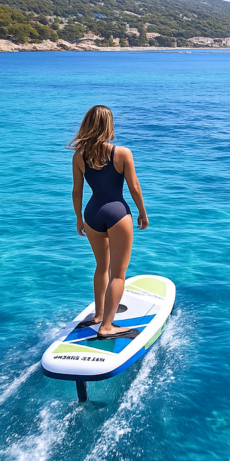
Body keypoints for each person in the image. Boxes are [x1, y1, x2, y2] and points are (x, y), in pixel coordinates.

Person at [69, 105, 149, 339]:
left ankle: (98, 314)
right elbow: (134, 187)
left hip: (91, 213)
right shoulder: (122, 153)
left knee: (101, 266)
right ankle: (106, 326)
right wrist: (142, 213)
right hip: (117, 213)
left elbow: (77, 191)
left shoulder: (79, 155)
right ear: (108, 126)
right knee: (118, 274)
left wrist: (78, 218)